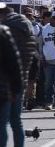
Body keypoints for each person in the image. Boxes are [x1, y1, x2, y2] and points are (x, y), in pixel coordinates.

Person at [0, 12, 22, 147]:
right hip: (5, 88)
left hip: (3, 88)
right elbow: (14, 64)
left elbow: (13, 64)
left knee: (3, 123)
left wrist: (15, 89)